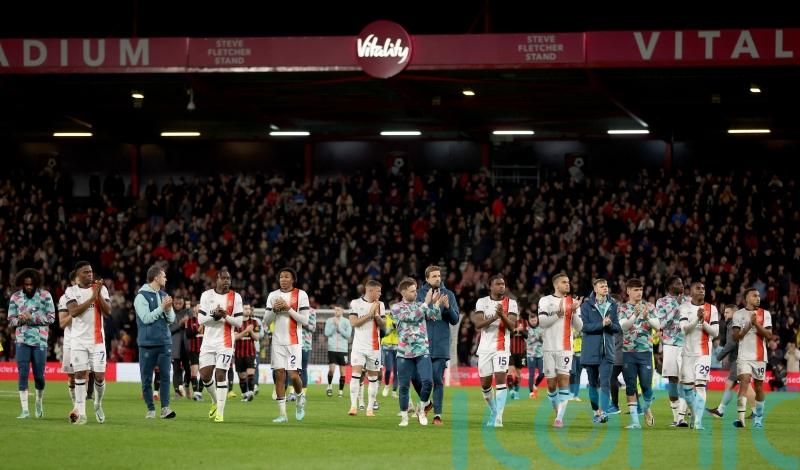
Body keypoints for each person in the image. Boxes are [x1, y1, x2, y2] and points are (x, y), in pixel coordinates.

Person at [65, 261, 111, 425]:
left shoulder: (101, 289)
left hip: (97, 341)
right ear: (78, 275)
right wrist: (92, 297)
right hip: (78, 341)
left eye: (91, 271)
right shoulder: (71, 291)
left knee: (99, 376)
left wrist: (97, 295)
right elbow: (74, 312)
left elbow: (108, 312)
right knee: (79, 374)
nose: (90, 274)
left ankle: (97, 404)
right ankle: (82, 414)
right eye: (85, 272)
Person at [263, 267, 310, 423]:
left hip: (294, 342)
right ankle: (282, 414)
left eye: (287, 277)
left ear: (293, 279)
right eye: (281, 277)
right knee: (279, 376)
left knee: (293, 375)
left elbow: (304, 321)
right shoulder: (273, 295)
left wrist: (288, 308)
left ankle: (299, 398)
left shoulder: (301, 295)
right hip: (277, 342)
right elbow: (266, 321)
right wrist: (275, 311)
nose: (283, 279)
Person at [391, 277, 440, 427]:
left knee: (427, 382)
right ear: (404, 292)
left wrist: (436, 304)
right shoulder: (396, 308)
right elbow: (412, 318)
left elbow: (434, 316)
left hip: (422, 350)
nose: (416, 293)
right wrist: (426, 303)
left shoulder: (420, 305)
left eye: (416, 290)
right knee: (404, 386)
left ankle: (422, 408)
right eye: (412, 291)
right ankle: (404, 417)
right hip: (404, 352)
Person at [8, 268, 55, 419]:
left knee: (39, 376)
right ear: (21, 284)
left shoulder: (45, 295)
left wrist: (32, 317)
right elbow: (11, 320)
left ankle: (38, 401)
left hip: (40, 340)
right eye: (26, 284)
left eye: (31, 284)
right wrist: (20, 319)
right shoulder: (15, 297)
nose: (28, 287)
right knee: (22, 373)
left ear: (36, 283)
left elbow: (51, 317)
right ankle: (25, 410)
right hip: (21, 340)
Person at [538, 273, 584, 428]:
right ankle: (558, 411)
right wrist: (558, 314)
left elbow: (580, 327)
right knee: (551, 385)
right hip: (548, 348)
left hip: (565, 348)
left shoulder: (572, 302)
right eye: (564, 282)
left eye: (568, 282)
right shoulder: (545, 301)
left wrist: (575, 312)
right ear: (556, 285)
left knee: (564, 380)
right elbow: (542, 322)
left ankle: (559, 418)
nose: (568, 284)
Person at [415, 265, 460, 425]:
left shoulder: (449, 295)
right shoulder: (419, 294)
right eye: (434, 276)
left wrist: (447, 308)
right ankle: (427, 404)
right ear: (427, 279)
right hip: (421, 342)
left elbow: (455, 320)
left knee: (437, 379)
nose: (437, 279)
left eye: (439, 276)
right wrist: (429, 304)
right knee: (418, 378)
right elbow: (416, 315)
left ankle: (437, 415)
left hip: (440, 343)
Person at [198, 269, 244, 423]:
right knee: (204, 375)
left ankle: (220, 413)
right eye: (223, 278)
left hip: (225, 342)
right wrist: (214, 316)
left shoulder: (236, 297)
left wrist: (224, 315)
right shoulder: (206, 295)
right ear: (216, 279)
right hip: (208, 341)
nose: (226, 281)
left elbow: (238, 323)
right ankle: (215, 401)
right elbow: (200, 320)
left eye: (228, 278)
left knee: (220, 374)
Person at [474, 274, 518, 428]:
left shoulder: (511, 303)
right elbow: (479, 324)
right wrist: (495, 317)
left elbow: (512, 327)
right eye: (498, 284)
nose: (501, 286)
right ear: (490, 287)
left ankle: (499, 417)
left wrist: (502, 316)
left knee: (500, 379)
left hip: (501, 348)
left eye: (503, 284)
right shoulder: (482, 302)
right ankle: (494, 411)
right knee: (485, 384)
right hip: (485, 349)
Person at [134, 265, 177, 419]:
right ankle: (150, 409)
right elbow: (146, 318)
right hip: (147, 344)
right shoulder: (141, 296)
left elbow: (172, 320)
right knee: (146, 378)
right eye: (164, 276)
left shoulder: (164, 295)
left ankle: (165, 408)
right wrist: (161, 308)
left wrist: (168, 309)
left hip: (165, 342)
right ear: (156, 277)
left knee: (165, 376)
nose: (166, 278)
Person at [619, 278, 660, 429]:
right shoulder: (622, 308)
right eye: (635, 290)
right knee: (630, 387)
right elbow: (623, 327)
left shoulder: (649, 306)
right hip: (628, 352)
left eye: (640, 290)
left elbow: (658, 326)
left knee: (646, 387)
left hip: (645, 352)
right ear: (628, 291)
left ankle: (646, 408)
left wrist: (647, 316)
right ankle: (635, 422)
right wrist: (635, 316)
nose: (639, 293)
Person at [678, 282, 719, 430]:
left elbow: (715, 333)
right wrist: (697, 320)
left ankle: (698, 422)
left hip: (704, 353)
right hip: (687, 354)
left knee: (701, 386)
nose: (701, 290)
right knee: (688, 390)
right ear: (691, 291)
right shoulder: (684, 308)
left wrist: (703, 322)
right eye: (698, 288)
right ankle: (694, 414)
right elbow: (684, 330)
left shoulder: (711, 309)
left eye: (703, 288)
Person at [580, 278, 621, 424]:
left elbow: (617, 328)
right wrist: (601, 324)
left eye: (606, 285)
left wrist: (609, 325)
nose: (605, 288)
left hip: (607, 352)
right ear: (595, 289)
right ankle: (595, 412)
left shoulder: (613, 305)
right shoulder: (586, 306)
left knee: (604, 382)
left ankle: (603, 412)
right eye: (602, 286)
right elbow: (584, 327)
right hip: (590, 350)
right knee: (592, 384)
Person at [731, 288, 773, 429]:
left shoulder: (765, 314)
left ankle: (758, 419)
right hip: (744, 356)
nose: (758, 298)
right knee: (744, 381)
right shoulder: (738, 315)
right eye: (754, 296)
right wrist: (749, 325)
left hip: (760, 356)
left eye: (759, 296)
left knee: (759, 387)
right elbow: (735, 337)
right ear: (747, 298)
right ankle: (741, 419)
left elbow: (769, 335)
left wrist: (755, 324)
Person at [348, 280, 386, 416]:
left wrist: (376, 315)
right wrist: (369, 314)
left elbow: (383, 326)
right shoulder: (355, 303)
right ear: (370, 291)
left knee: (373, 378)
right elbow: (353, 323)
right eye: (379, 291)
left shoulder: (380, 305)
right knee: (355, 375)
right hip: (358, 346)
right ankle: (353, 406)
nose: (380, 293)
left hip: (374, 348)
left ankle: (369, 408)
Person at [655, 275, 689, 426]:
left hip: (688, 345)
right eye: (677, 283)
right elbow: (661, 323)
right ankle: (677, 418)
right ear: (669, 286)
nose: (681, 285)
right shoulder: (661, 302)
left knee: (688, 380)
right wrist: (677, 306)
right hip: (670, 345)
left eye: (681, 282)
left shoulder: (689, 301)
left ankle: (683, 414)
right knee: (673, 381)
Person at [58, 271, 79, 420]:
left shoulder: (90, 296)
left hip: (87, 341)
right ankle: (75, 404)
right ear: (73, 282)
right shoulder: (64, 298)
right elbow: (62, 323)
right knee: (71, 378)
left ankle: (78, 408)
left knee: (83, 375)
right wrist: (77, 312)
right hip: (70, 341)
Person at [234, 303, 260, 402]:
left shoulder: (254, 322)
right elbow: (235, 337)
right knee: (242, 376)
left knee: (250, 374)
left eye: (249, 309)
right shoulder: (237, 322)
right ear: (241, 310)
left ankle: (251, 394)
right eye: (246, 309)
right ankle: (245, 394)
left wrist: (251, 331)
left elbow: (257, 338)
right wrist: (246, 331)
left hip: (250, 353)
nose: (248, 310)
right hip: (239, 354)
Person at [325, 306, 352, 398]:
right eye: (336, 309)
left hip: (343, 349)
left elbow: (348, 335)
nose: (337, 311)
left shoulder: (347, 321)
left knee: (342, 372)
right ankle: (329, 387)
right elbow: (327, 333)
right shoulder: (329, 320)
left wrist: (339, 326)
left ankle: (340, 391)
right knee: (331, 370)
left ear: (342, 311)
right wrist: (334, 326)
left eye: (339, 309)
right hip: (331, 348)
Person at [169, 296, 192, 399]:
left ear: (183, 303)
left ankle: (186, 387)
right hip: (175, 347)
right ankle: (177, 392)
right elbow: (169, 330)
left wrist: (188, 309)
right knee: (176, 370)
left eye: (180, 303)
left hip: (187, 346)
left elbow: (192, 320)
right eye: (176, 303)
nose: (178, 305)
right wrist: (180, 324)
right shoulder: (170, 314)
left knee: (188, 370)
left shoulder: (187, 312)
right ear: (173, 303)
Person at [508, 311, 528, 401]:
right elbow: (507, 334)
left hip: (521, 352)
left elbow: (527, 335)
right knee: (509, 371)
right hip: (510, 351)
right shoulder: (508, 322)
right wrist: (516, 330)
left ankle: (516, 392)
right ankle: (511, 390)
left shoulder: (524, 322)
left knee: (518, 374)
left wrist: (522, 330)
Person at [186, 303, 204, 401]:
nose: (200, 309)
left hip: (205, 351)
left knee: (204, 373)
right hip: (193, 350)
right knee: (194, 372)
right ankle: (196, 394)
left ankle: (199, 393)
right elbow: (188, 335)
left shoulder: (208, 321)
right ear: (194, 309)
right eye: (199, 307)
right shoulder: (190, 321)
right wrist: (198, 330)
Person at [381, 308, 399, 399]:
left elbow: (404, 333)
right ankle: (387, 385)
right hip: (387, 347)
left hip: (398, 348)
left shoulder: (401, 318)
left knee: (397, 371)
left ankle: (394, 391)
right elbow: (383, 332)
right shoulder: (385, 318)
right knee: (388, 369)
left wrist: (398, 328)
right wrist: (392, 327)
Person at [526, 313, 544, 399]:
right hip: (531, 354)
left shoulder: (541, 328)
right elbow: (530, 340)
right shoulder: (527, 329)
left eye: (535, 320)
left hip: (540, 354)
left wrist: (541, 338)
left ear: (537, 320)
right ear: (529, 320)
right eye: (532, 320)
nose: (533, 322)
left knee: (542, 373)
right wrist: (538, 337)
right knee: (531, 374)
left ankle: (535, 385)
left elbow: (543, 341)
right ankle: (531, 393)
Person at [300, 307, 316, 397]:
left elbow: (313, 328)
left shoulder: (311, 311)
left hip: (305, 345)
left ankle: (303, 393)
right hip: (293, 344)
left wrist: (303, 323)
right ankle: (291, 392)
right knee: (291, 369)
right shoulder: (293, 309)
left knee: (303, 369)